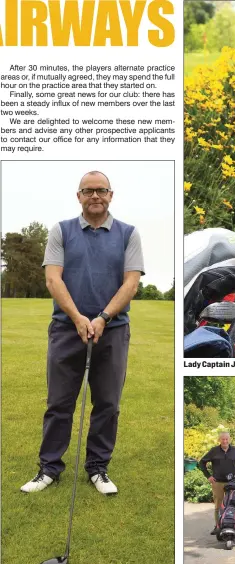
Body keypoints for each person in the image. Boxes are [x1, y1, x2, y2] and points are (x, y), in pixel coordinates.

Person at [20, 171, 144, 496]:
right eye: (88, 191)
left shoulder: (129, 234)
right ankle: (49, 468)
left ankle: (98, 468)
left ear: (110, 195)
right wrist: (77, 317)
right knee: (59, 403)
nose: (95, 196)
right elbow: (53, 280)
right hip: (65, 329)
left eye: (101, 190)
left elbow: (131, 283)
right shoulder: (61, 231)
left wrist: (102, 317)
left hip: (113, 331)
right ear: (79, 196)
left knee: (108, 404)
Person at [199, 431, 235, 535]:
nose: (225, 441)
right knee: (218, 506)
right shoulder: (214, 451)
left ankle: (234, 525)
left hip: (233, 483)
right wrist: (208, 476)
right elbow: (202, 463)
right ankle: (218, 527)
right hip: (218, 483)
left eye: (226, 439)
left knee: (233, 504)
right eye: (223, 439)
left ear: (229, 440)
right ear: (219, 440)